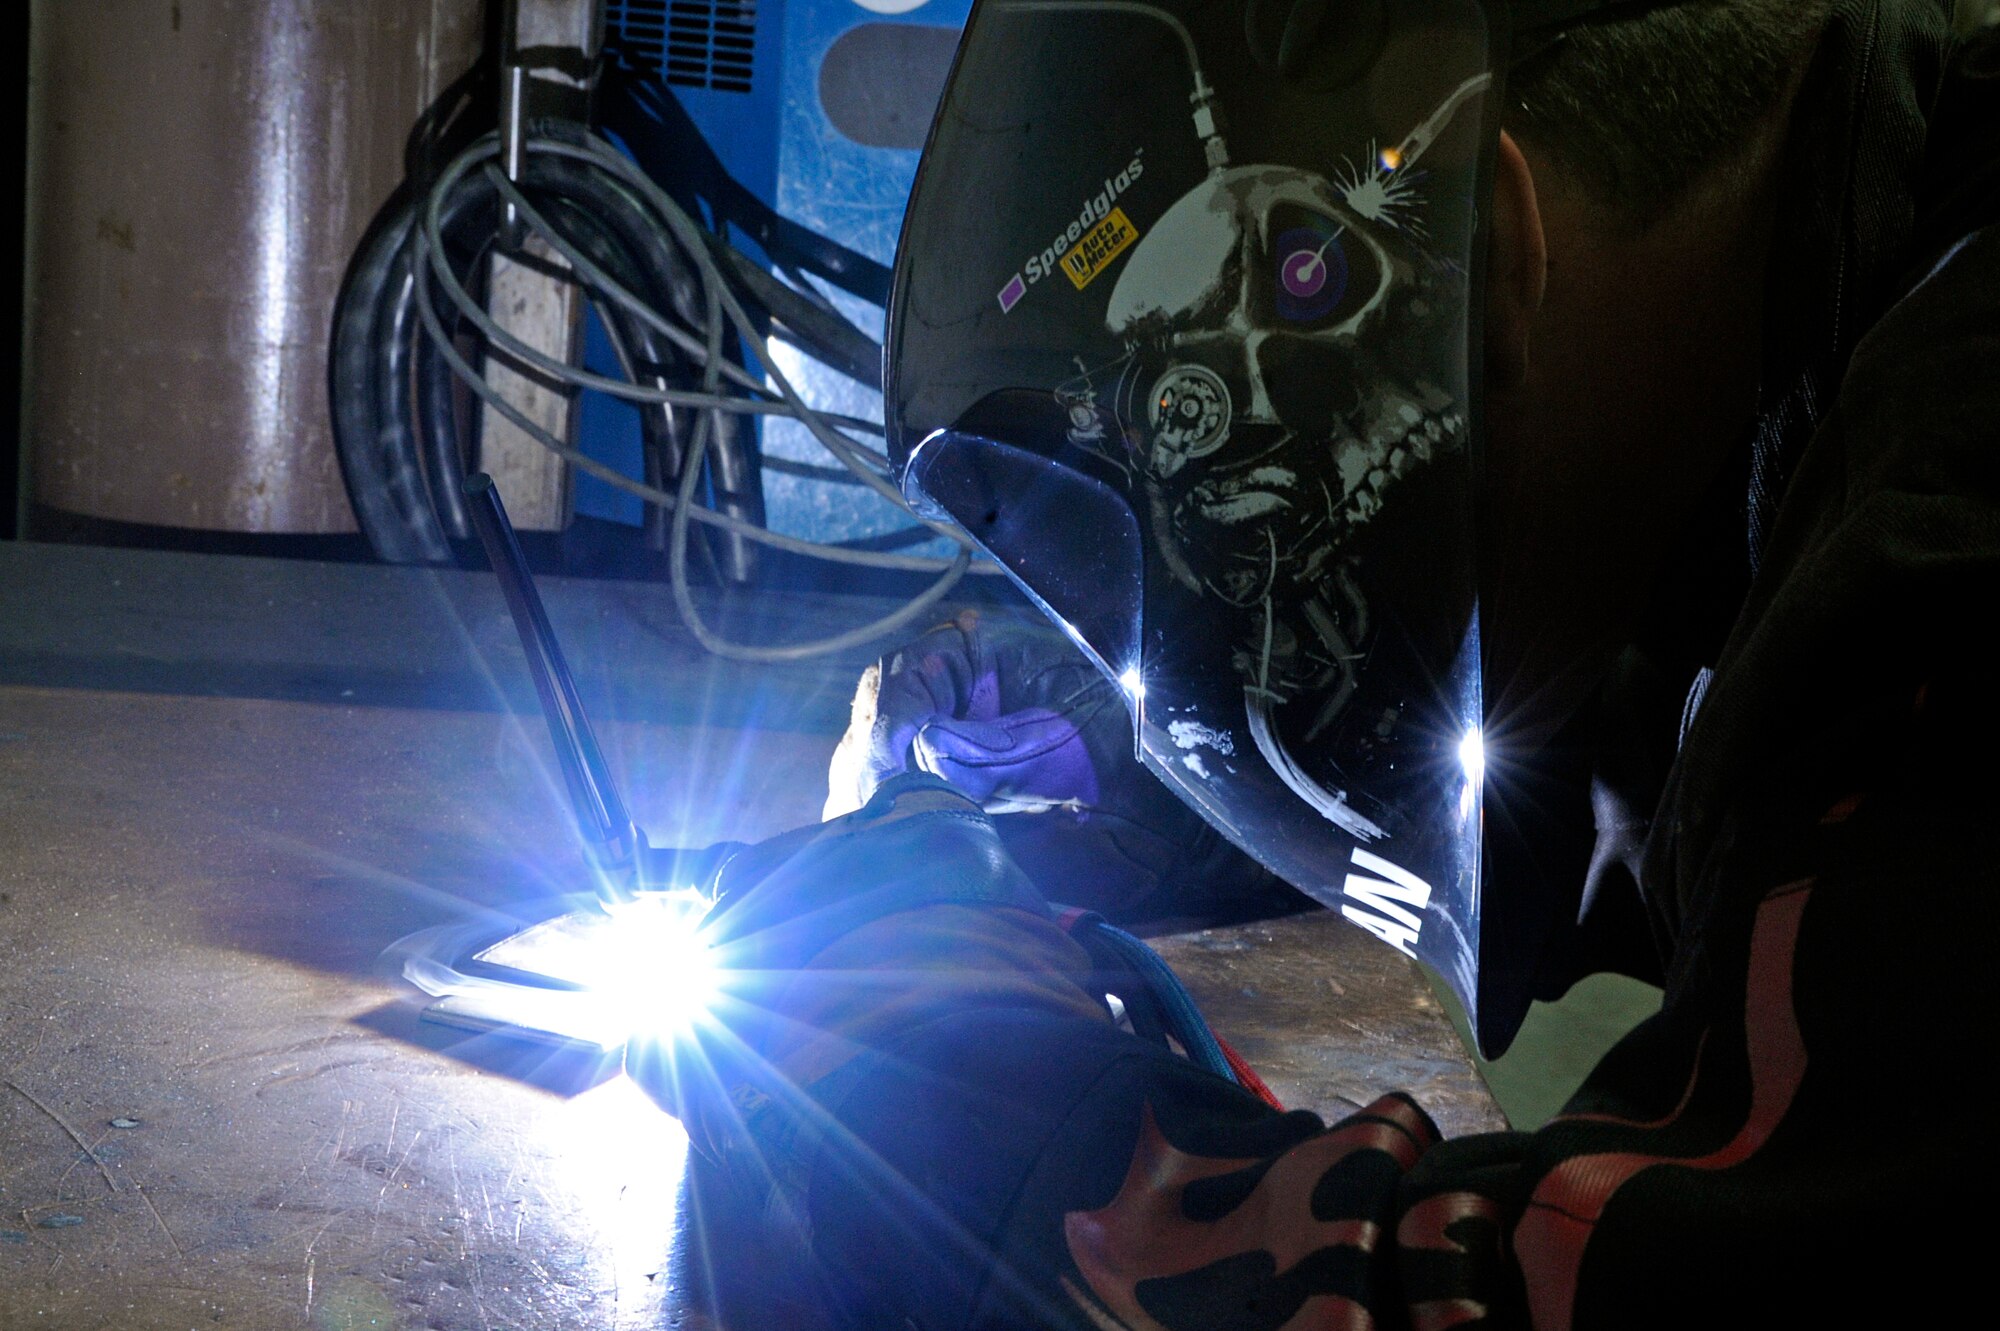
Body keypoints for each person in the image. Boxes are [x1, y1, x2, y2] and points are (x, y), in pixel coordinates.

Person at [630, 0, 2000, 1325]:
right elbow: (1599, 780)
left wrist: (922, 1078)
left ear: (1497, 261)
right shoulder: (1787, 405)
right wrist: (1137, 762)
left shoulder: (1954, 534)